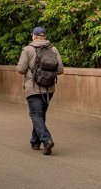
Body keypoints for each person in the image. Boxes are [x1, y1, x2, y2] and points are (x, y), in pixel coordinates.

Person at [16, 27, 63, 155]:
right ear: (44, 36)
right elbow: (60, 70)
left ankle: (46, 140)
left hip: (33, 88)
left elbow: (20, 69)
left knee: (36, 115)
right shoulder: (53, 49)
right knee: (40, 115)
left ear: (34, 36)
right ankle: (35, 142)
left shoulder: (28, 49)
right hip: (49, 88)